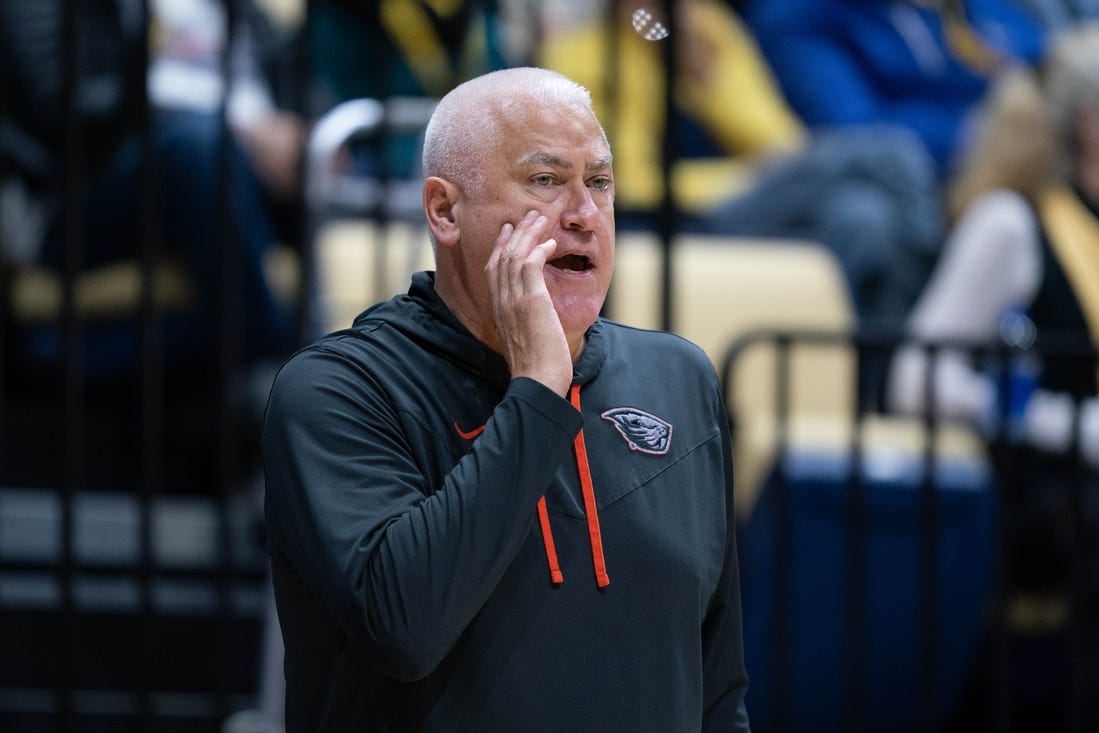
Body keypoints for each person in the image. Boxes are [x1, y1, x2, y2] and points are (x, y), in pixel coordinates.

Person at [262, 67, 751, 731]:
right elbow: (405, 626)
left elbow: (717, 687)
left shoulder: (679, 379)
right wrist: (538, 388)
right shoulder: (339, 391)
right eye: (545, 180)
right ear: (444, 209)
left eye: (599, 182)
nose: (582, 213)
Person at [538, 0, 944, 328]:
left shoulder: (707, 27)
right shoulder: (585, 52)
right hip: (673, 214)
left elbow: (778, 140)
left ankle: (873, 375)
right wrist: (747, 178)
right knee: (892, 152)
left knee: (863, 218)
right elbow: (627, 183)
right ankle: (918, 313)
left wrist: (707, 79)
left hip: (749, 198)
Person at [885, 23, 1099, 599]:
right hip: (1038, 495)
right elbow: (915, 378)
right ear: (1089, 123)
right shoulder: (1012, 222)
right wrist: (1066, 424)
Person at [744, 0, 1046, 178]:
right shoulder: (802, 14)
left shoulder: (947, 9)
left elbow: (1039, 56)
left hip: (996, 161)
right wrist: (988, 127)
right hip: (908, 182)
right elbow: (860, 136)